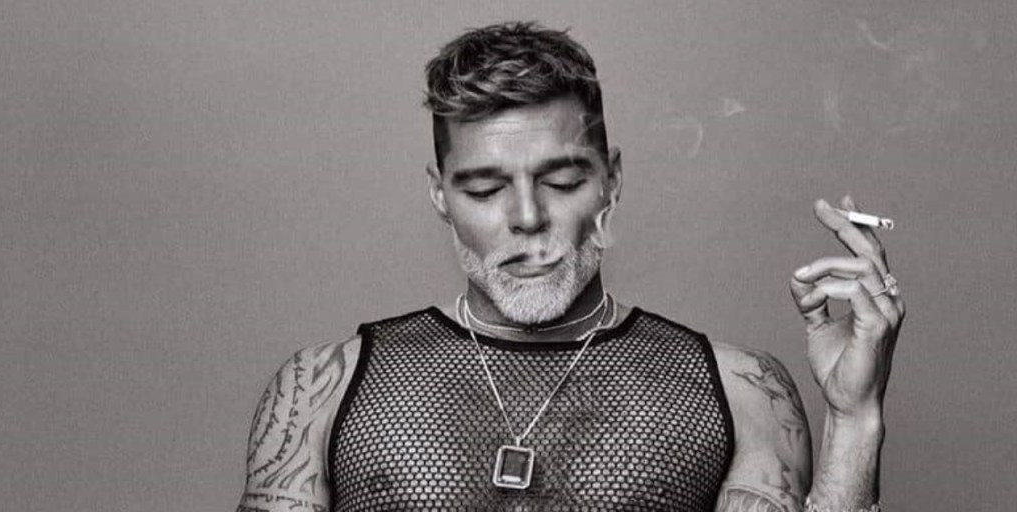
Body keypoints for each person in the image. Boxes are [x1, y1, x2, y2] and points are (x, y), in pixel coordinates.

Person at [236, 22, 904, 512]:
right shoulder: (322, 392)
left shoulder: (740, 393)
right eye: (484, 189)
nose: (528, 217)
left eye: (561, 181)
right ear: (440, 194)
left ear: (611, 182)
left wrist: (853, 420)